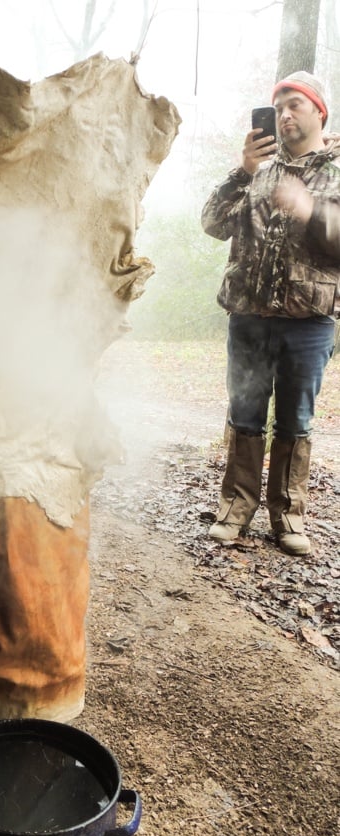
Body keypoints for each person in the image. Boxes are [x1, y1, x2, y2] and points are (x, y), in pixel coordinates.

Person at [202, 71, 339, 556]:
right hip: (249, 316)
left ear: (319, 111)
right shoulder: (258, 169)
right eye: (278, 105)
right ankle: (235, 509)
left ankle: (288, 517)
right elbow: (212, 223)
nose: (283, 114)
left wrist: (312, 210)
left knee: (296, 421)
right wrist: (242, 169)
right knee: (245, 414)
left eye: (294, 104)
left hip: (310, 323)